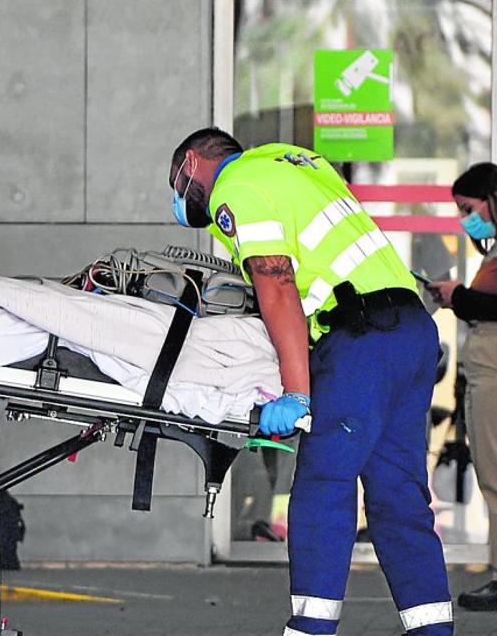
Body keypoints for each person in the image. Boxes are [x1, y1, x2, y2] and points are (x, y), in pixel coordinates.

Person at [169, 129, 452, 636]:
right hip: (410, 331)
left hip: (360, 339)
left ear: (193, 162)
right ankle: (433, 628)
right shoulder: (298, 162)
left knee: (324, 483)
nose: (179, 197)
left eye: (177, 183)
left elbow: (276, 282)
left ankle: (311, 629)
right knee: (399, 495)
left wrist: (296, 391)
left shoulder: (237, 182)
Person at [429, 163, 497, 612]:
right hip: (483, 373)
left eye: (468, 208)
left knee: (494, 480)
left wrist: (459, 296)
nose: (465, 219)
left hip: (492, 374)